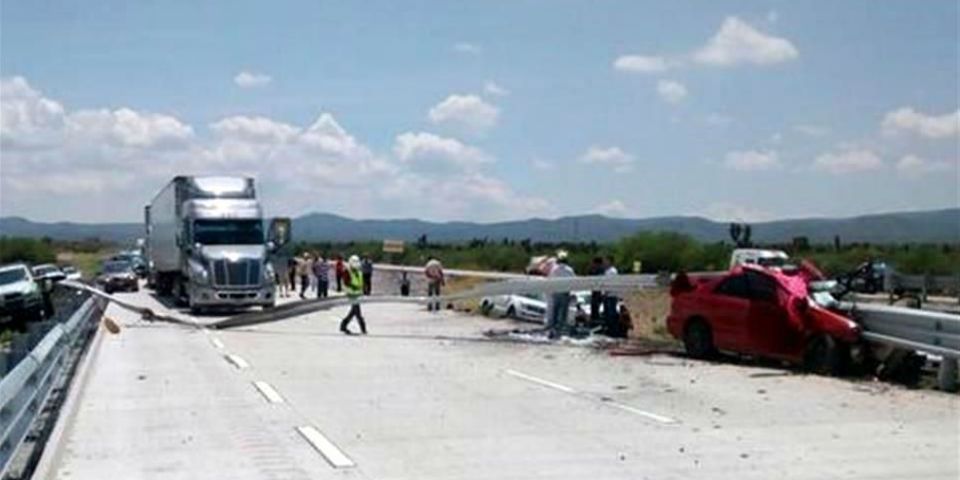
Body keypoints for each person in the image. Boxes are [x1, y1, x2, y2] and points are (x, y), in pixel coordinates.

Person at [547, 250, 575, 338]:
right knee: (563, 314)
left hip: (556, 293)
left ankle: (553, 331)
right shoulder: (570, 270)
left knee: (554, 313)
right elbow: (573, 282)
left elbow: (550, 280)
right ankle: (559, 332)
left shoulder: (554, 269)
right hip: (565, 294)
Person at [339, 255, 367, 335]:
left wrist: (364, 289)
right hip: (351, 294)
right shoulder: (347, 271)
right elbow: (346, 282)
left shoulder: (358, 272)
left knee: (354, 311)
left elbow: (361, 282)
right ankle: (363, 328)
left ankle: (343, 325)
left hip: (357, 294)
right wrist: (353, 287)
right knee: (357, 311)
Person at [602, 255, 620, 327]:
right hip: (607, 294)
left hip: (611, 295)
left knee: (611, 313)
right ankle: (609, 327)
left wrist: (606, 292)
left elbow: (611, 283)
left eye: (606, 261)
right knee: (607, 313)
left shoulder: (612, 271)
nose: (604, 262)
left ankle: (613, 328)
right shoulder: (607, 271)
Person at [588, 256, 604, 322]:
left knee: (595, 307)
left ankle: (595, 320)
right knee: (594, 307)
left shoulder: (598, 270)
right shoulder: (601, 270)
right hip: (596, 292)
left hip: (597, 292)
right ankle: (595, 319)